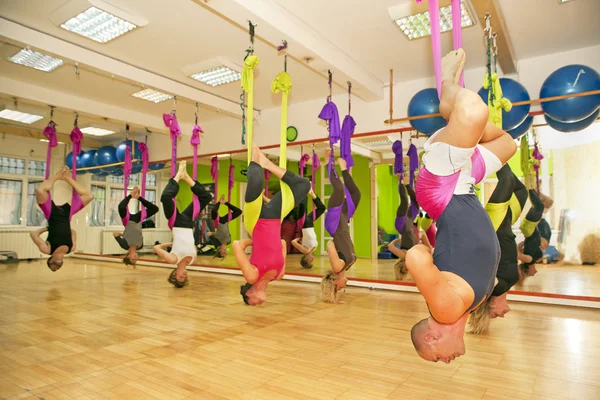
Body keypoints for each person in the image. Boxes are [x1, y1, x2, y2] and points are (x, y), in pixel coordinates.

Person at [405, 49, 516, 363]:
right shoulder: (467, 306)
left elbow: (415, 256)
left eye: (436, 356)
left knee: (471, 110)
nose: (445, 360)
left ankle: (447, 89)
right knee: (508, 142)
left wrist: (429, 258)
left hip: (443, 190)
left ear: (432, 337)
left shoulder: (445, 309)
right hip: (464, 186)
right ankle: (456, 126)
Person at [233, 144, 310, 305]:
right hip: (276, 218)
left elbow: (237, 245)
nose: (258, 304)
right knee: (304, 186)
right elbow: (282, 243)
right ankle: (267, 164)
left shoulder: (252, 276)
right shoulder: (279, 275)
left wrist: (256, 241)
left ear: (249, 292)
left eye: (252, 302)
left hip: (255, 221)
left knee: (256, 183)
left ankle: (255, 157)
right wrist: (265, 243)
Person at [468, 164, 528, 332]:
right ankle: (501, 149)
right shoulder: (506, 285)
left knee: (507, 179)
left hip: (494, 228)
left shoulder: (495, 286)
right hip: (507, 227)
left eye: (494, 314)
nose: (501, 316)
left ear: (491, 303)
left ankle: (494, 146)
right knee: (521, 191)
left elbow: (474, 287)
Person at [154, 161, 212, 288]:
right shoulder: (193, 260)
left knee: (166, 197)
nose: (184, 276)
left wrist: (170, 244)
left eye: (181, 277)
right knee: (206, 197)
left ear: (174, 273)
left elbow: (156, 248)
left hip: (175, 222)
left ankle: (178, 176)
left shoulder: (173, 259)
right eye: (184, 278)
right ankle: (186, 177)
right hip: (188, 222)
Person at [30, 166, 94, 271]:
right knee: (89, 196)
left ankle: (57, 176)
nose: (56, 267)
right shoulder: (71, 248)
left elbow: (33, 234)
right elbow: (73, 232)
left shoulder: (46, 249)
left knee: (40, 190)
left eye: (52, 266)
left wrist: (47, 228)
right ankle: (67, 178)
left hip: (51, 214)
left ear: (50, 260)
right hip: (66, 214)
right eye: (57, 267)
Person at [321, 148, 361, 303]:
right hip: (343, 222)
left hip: (335, 225)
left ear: (335, 282)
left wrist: (337, 246)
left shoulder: (338, 267)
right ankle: (343, 168)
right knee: (356, 195)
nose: (345, 285)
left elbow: (329, 244)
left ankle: (327, 162)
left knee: (338, 189)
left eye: (341, 287)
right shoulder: (346, 266)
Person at [389, 182, 431, 280]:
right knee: (416, 203)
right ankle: (408, 184)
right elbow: (422, 235)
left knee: (404, 201)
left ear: (401, 266)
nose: (407, 268)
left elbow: (390, 246)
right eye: (407, 270)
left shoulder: (404, 255)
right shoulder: (412, 256)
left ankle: (400, 180)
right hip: (409, 223)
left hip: (401, 225)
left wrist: (397, 241)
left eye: (405, 269)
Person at [113, 186, 159, 265]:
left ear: (128, 256)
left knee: (121, 207)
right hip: (138, 220)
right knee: (155, 209)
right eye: (136, 259)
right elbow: (140, 235)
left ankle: (131, 195)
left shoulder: (125, 245)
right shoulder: (140, 246)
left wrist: (123, 234)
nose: (135, 258)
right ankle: (138, 197)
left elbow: (115, 234)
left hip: (127, 220)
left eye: (132, 259)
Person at [291, 189, 326, 268]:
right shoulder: (312, 249)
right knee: (322, 208)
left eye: (311, 261)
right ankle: (311, 193)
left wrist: (299, 238)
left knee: (303, 205)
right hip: (309, 224)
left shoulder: (305, 251)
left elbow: (293, 242)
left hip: (304, 224)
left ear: (307, 259)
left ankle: (304, 189)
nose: (312, 259)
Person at [207, 195, 242, 259]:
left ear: (219, 250)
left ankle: (219, 202)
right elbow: (222, 233)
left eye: (223, 252)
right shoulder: (229, 241)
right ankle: (225, 202)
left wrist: (211, 233)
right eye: (225, 253)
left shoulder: (217, 243)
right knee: (239, 211)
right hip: (225, 221)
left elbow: (216, 234)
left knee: (214, 211)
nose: (225, 252)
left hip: (217, 222)